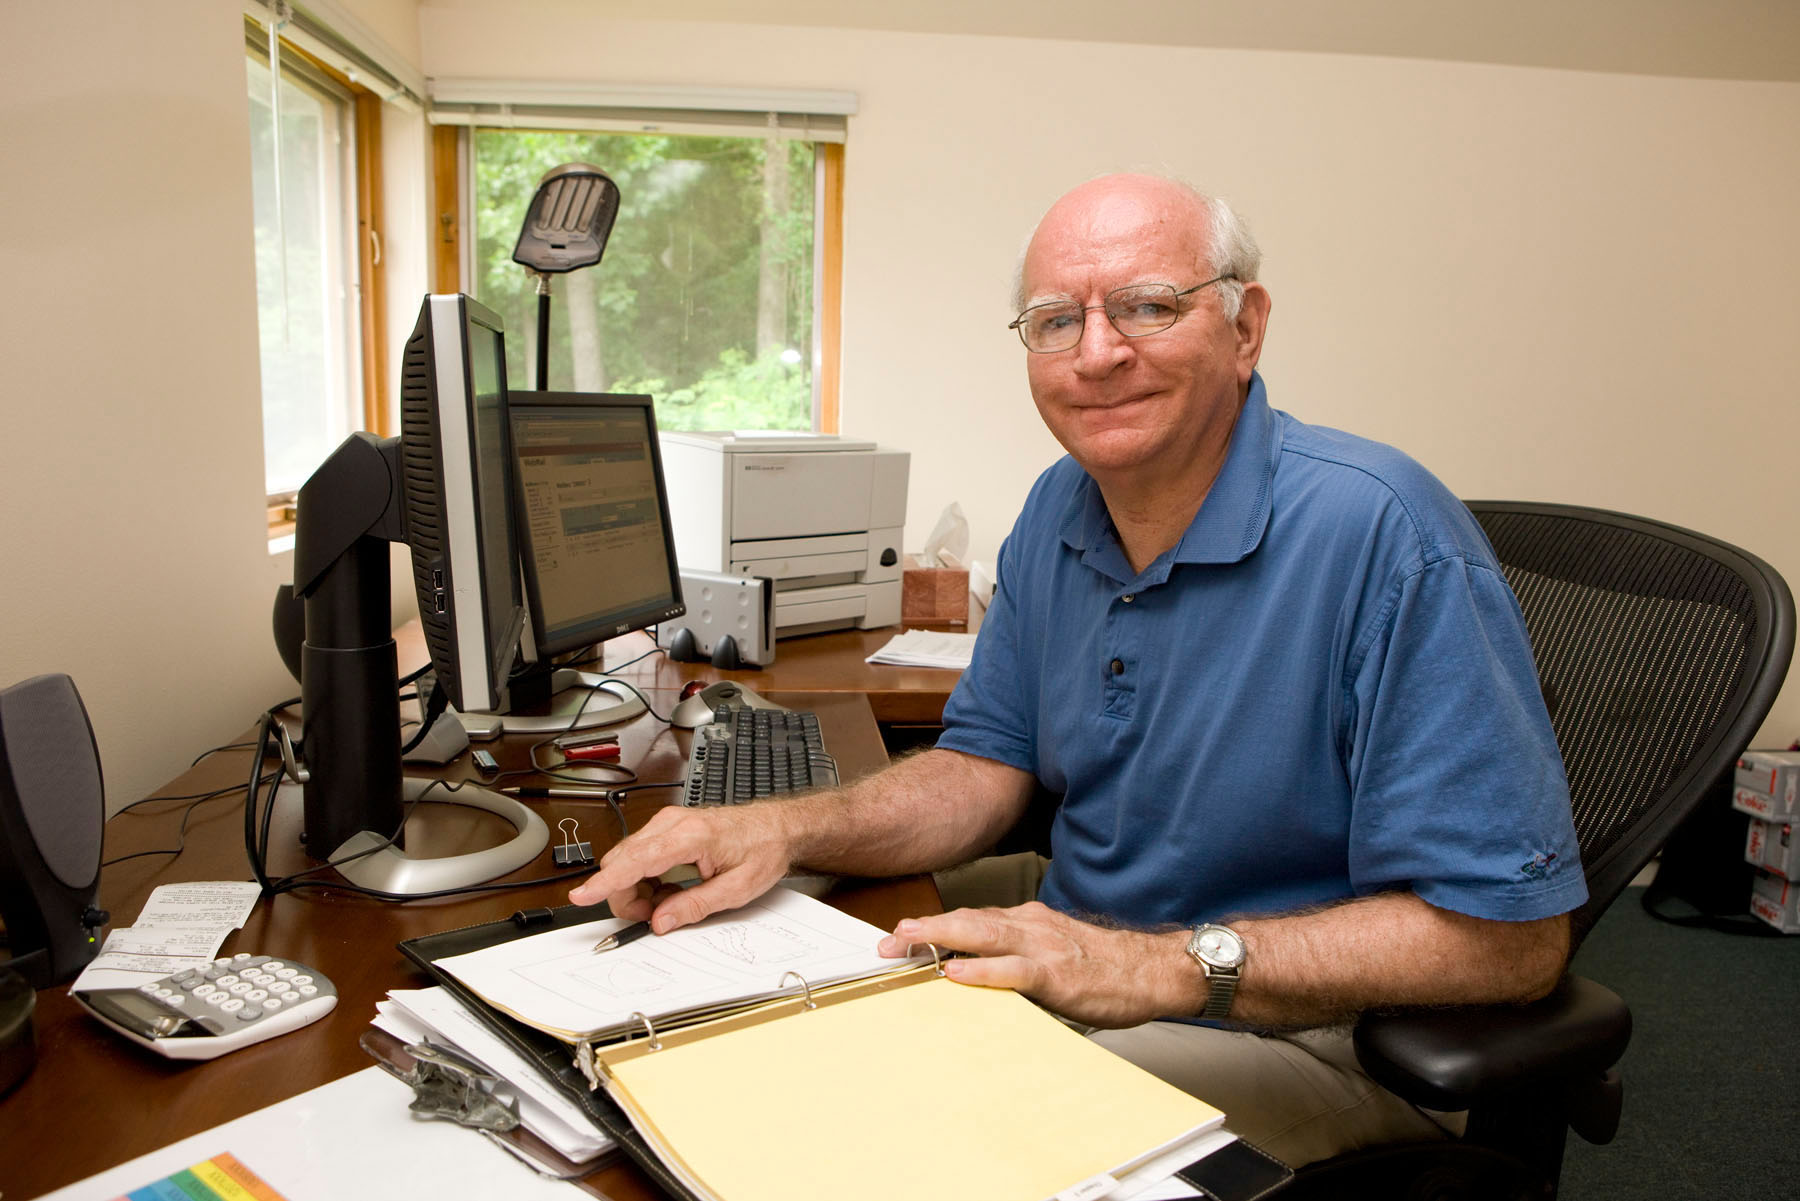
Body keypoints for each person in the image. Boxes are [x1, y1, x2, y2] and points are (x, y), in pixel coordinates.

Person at [570, 173, 1587, 1168]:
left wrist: (1151, 966)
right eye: (1057, 320)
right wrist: (783, 826)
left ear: (1246, 328)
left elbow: (1512, 942)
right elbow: (982, 762)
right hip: (1086, 954)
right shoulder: (1061, 506)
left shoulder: (1387, 536)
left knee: (916, 1149)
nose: (1097, 354)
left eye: (1148, 307)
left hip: (1313, 1035)